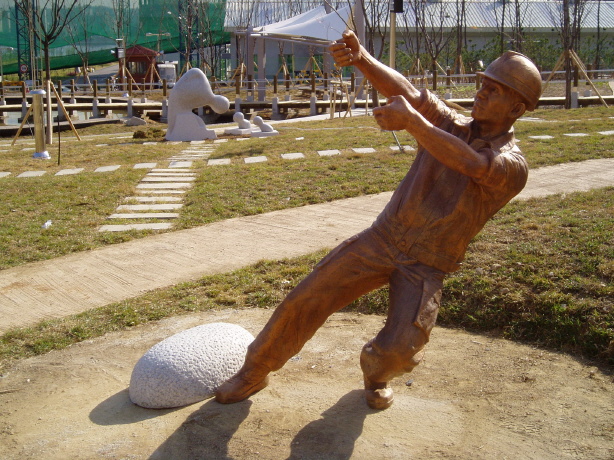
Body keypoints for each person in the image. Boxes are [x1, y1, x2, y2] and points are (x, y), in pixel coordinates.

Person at [216, 30, 542, 410]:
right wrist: (361, 58)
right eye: (483, 84)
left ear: (516, 109)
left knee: (401, 349)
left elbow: (471, 163)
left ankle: (376, 372)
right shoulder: (452, 124)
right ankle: (255, 370)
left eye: (494, 90)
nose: (481, 93)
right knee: (306, 298)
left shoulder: (513, 166)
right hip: (383, 238)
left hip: (426, 265)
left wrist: (414, 124)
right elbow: (410, 94)